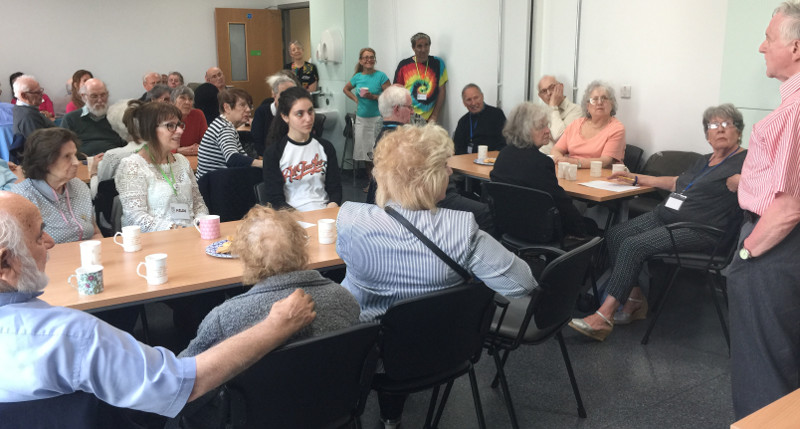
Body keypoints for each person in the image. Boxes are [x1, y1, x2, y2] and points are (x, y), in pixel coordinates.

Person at [0, 190, 316, 419]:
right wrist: (276, 326)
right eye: (40, 234)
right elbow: (183, 384)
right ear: (5, 263)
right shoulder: (73, 337)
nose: (51, 241)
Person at [337, 124, 535, 428]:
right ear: (428, 178)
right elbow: (522, 283)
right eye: (445, 166)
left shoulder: (351, 219)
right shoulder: (463, 231)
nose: (451, 173)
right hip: (444, 350)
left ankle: (383, 417)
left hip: (367, 357)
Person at [568, 104, 747, 342]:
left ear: (739, 131)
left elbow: (766, 182)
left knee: (633, 245)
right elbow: (677, 183)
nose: (720, 130)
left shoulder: (745, 161)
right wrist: (637, 178)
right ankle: (634, 300)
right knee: (616, 234)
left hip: (699, 230)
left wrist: (744, 181)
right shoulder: (704, 161)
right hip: (665, 216)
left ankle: (604, 316)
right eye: (714, 125)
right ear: (707, 134)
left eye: (727, 124)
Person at [727, 2, 800, 418]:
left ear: (795, 47)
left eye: (769, 39)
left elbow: (790, 207)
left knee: (764, 367)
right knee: (780, 356)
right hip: (778, 246)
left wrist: (746, 253)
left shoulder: (796, 109)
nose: (761, 47)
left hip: (774, 247)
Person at [182, 205, 359, 358]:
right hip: (334, 395)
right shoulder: (346, 300)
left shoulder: (224, 318)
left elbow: (181, 374)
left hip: (251, 397)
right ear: (302, 250)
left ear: (246, 258)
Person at [366, 85, 495, 234]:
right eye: (410, 107)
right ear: (396, 109)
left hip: (403, 201)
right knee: (485, 212)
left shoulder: (384, 138)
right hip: (428, 199)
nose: (413, 111)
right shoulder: (405, 142)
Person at [490, 102, 588, 237]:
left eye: (547, 125)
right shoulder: (541, 162)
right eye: (541, 127)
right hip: (541, 233)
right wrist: (582, 231)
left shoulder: (503, 156)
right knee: (591, 228)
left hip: (508, 229)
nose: (548, 130)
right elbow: (562, 204)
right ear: (525, 131)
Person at [116, 101, 209, 232]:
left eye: (179, 125)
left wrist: (201, 224)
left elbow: (198, 203)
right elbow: (135, 217)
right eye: (170, 126)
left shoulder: (181, 161)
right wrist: (177, 230)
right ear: (150, 130)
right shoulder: (133, 166)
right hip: (155, 243)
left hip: (189, 236)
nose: (180, 131)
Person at [10, 128, 102, 243]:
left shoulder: (79, 186)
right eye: (67, 156)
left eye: (75, 155)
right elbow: (23, 250)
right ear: (45, 161)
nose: (76, 162)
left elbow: (95, 232)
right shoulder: (23, 197)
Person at [263, 87, 342, 211]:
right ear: (285, 117)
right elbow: (275, 199)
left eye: (310, 111)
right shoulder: (274, 153)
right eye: (299, 114)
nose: (308, 118)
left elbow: (335, 189)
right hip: (291, 216)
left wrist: (332, 205)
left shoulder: (326, 147)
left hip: (323, 213)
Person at [551, 80, 625, 168]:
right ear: (587, 106)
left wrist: (570, 162)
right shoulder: (576, 124)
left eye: (604, 98)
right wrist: (559, 159)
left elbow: (605, 161)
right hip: (572, 172)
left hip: (602, 176)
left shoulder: (617, 128)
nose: (599, 102)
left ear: (611, 104)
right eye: (594, 99)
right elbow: (556, 150)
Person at [343, 47, 391, 176]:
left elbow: (390, 96)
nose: (369, 60)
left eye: (371, 57)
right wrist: (356, 99)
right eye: (366, 57)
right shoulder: (357, 77)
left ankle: (380, 183)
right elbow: (346, 89)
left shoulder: (381, 76)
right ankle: (371, 182)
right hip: (362, 120)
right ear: (361, 61)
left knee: (378, 152)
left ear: (374, 60)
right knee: (365, 152)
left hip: (377, 119)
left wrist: (373, 97)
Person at [196, 88, 262, 180]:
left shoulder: (221, 123)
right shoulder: (224, 128)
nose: (248, 110)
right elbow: (232, 158)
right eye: (242, 105)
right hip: (215, 186)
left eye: (249, 106)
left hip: (214, 182)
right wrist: (263, 164)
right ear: (227, 108)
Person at [61, 78, 126, 156]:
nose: (100, 100)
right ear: (84, 97)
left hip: (114, 160)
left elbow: (127, 145)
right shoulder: (70, 119)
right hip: (83, 163)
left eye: (103, 95)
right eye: (94, 96)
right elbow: (64, 148)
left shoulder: (117, 117)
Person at [393, 32, 448, 123]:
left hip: (429, 118)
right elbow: (396, 91)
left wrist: (435, 115)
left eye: (426, 45)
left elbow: (442, 90)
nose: (423, 49)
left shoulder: (438, 63)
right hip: (407, 116)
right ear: (413, 48)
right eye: (419, 46)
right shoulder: (404, 65)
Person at [251, 71, 299, 156]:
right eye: (284, 94)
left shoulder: (298, 114)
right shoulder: (262, 112)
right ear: (274, 94)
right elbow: (257, 142)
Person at [452, 83, 506, 154]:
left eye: (476, 98)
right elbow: (457, 147)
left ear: (482, 96)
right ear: (464, 103)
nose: (473, 103)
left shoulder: (497, 114)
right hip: (466, 161)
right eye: (469, 100)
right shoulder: (463, 121)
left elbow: (503, 143)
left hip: (490, 160)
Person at [536, 75, 582, 154]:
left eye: (552, 87)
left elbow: (561, 138)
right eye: (544, 91)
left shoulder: (577, 110)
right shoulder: (539, 113)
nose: (549, 93)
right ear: (540, 96)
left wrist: (553, 106)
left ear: (561, 87)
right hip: (538, 157)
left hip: (560, 161)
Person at [171, 85, 207, 156]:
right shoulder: (165, 117)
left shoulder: (198, 115)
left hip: (194, 157)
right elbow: (158, 146)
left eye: (190, 99)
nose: (187, 102)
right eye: (182, 98)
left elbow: (207, 141)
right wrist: (177, 150)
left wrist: (200, 148)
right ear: (173, 101)